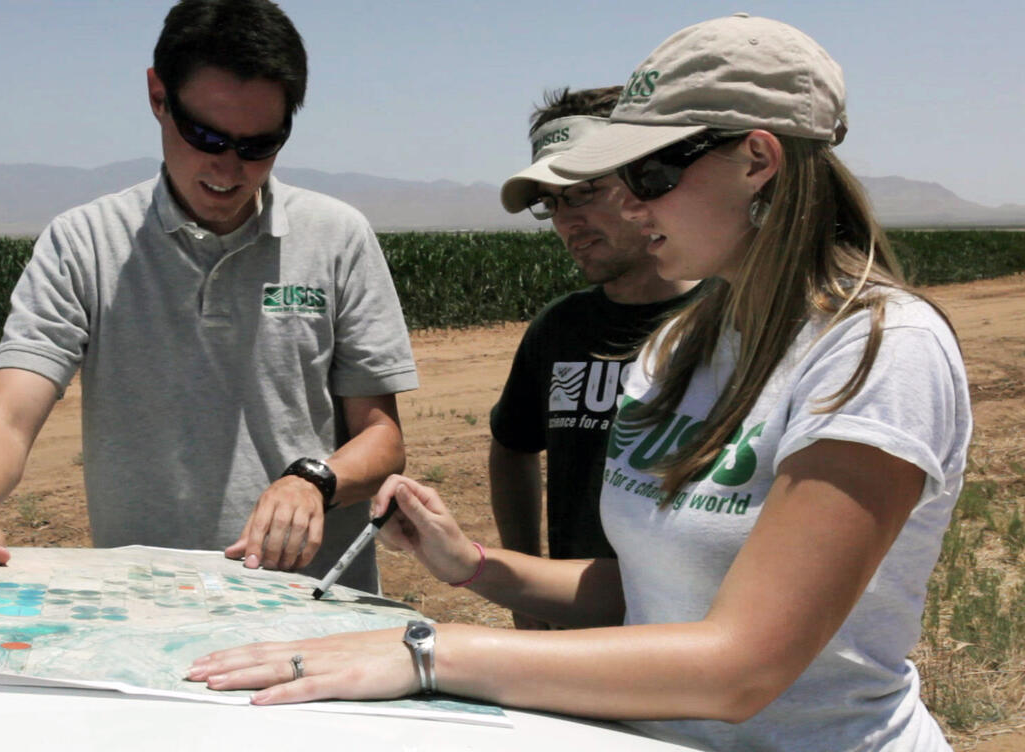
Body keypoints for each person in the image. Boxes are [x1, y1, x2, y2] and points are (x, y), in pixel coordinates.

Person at [185, 14, 970, 752]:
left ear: (758, 161)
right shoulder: (678, 348)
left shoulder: (878, 351)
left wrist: (428, 650)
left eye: (651, 172)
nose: (627, 203)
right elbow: (653, 589)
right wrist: (478, 567)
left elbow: (743, 669)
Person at [0, 0, 418, 594]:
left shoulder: (337, 237)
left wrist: (314, 479)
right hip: (144, 602)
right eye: (205, 135)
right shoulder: (85, 243)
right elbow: (9, 415)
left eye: (259, 145)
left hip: (311, 600)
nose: (229, 166)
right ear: (157, 96)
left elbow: (381, 438)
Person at [492, 86, 702, 629]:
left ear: (645, 181)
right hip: (575, 625)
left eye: (584, 192)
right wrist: (525, 578)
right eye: (552, 203)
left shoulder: (733, 322)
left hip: (688, 631)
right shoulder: (559, 328)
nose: (567, 222)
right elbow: (512, 446)